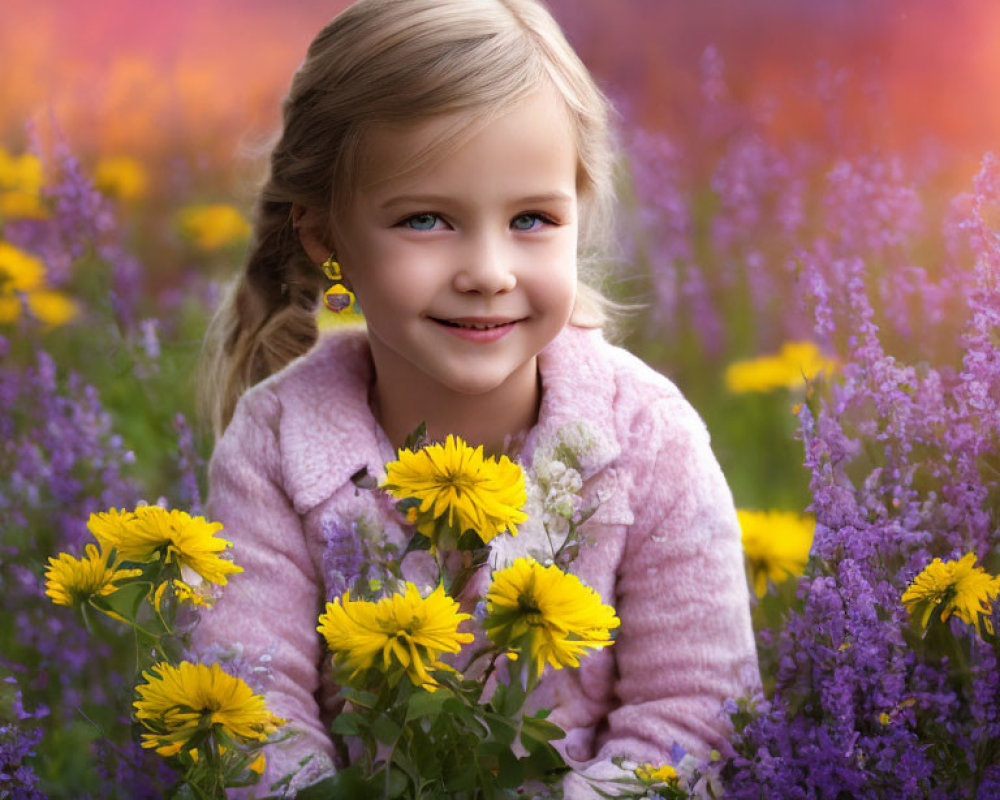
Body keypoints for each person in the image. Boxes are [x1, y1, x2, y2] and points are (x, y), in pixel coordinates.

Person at [193, 0, 760, 796]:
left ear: (578, 212)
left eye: (531, 219)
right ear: (327, 238)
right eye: (426, 220)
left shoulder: (647, 437)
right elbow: (252, 707)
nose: (489, 270)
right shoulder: (277, 442)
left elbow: (697, 714)